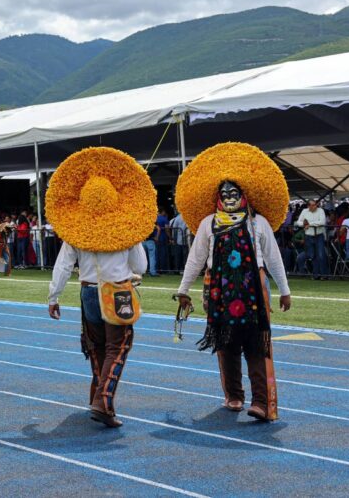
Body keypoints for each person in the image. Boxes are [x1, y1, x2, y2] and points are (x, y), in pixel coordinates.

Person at [174, 142, 292, 422]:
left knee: (256, 344)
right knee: (226, 343)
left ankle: (261, 402)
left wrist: (284, 290)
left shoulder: (259, 222)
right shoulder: (208, 223)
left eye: (234, 193)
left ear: (244, 195)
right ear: (217, 197)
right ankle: (234, 396)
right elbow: (196, 258)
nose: (229, 197)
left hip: (255, 288)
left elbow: (273, 258)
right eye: (224, 193)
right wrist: (183, 289)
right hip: (218, 289)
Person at [45, 147, 154, 428]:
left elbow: (63, 266)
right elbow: (141, 266)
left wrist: (53, 297)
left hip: (88, 292)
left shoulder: (75, 231)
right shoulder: (126, 227)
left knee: (96, 348)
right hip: (117, 292)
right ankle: (103, 402)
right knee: (118, 347)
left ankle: (96, 396)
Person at [295, 199, 328, 279]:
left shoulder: (320, 210)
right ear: (308, 206)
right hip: (308, 236)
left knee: (321, 255)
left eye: (315, 205)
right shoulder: (304, 211)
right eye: (312, 205)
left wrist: (309, 224)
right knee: (312, 256)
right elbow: (298, 222)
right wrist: (304, 224)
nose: (315, 206)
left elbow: (322, 222)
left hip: (318, 235)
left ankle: (324, 275)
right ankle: (316, 275)